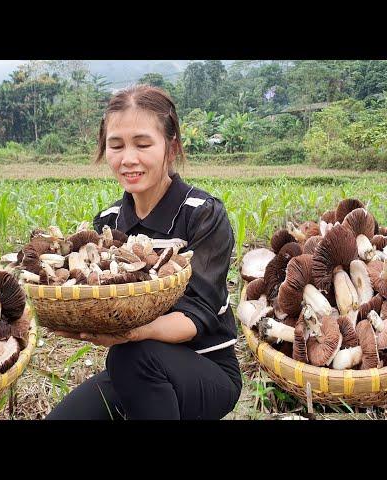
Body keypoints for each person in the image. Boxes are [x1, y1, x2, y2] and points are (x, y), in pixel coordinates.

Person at [45, 84, 241, 420]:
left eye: (143, 144)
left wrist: (131, 334)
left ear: (171, 145)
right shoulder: (108, 222)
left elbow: (196, 316)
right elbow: (103, 297)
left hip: (206, 369)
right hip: (133, 366)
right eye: (116, 145)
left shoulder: (202, 213)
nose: (128, 159)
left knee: (130, 356)